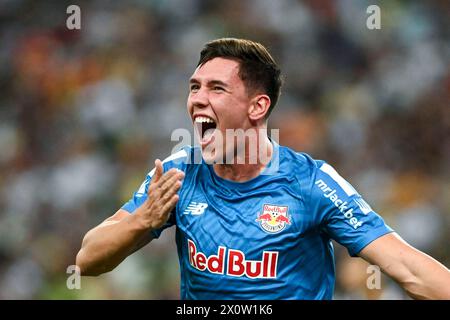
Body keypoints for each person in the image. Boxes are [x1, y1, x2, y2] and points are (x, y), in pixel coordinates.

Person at [76, 38, 450, 299]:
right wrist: (143, 219)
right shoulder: (179, 173)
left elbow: (408, 267)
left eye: (216, 89)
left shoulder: (311, 184)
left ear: (257, 107)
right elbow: (88, 260)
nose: (197, 100)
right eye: (194, 87)